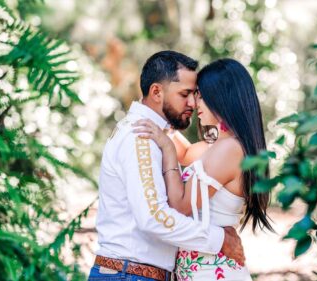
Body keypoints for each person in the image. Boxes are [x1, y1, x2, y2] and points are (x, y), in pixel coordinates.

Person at [88, 51, 245, 281]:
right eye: (185, 94)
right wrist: (220, 240)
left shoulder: (156, 134)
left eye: (196, 95)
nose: (192, 103)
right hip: (128, 275)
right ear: (157, 92)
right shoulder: (141, 136)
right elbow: (154, 217)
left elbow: (188, 153)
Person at [132, 58, 273, 281]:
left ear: (221, 98)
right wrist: (154, 111)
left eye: (200, 95)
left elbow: (180, 207)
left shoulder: (229, 150)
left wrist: (167, 148)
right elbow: (187, 153)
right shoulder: (221, 146)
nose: (195, 103)